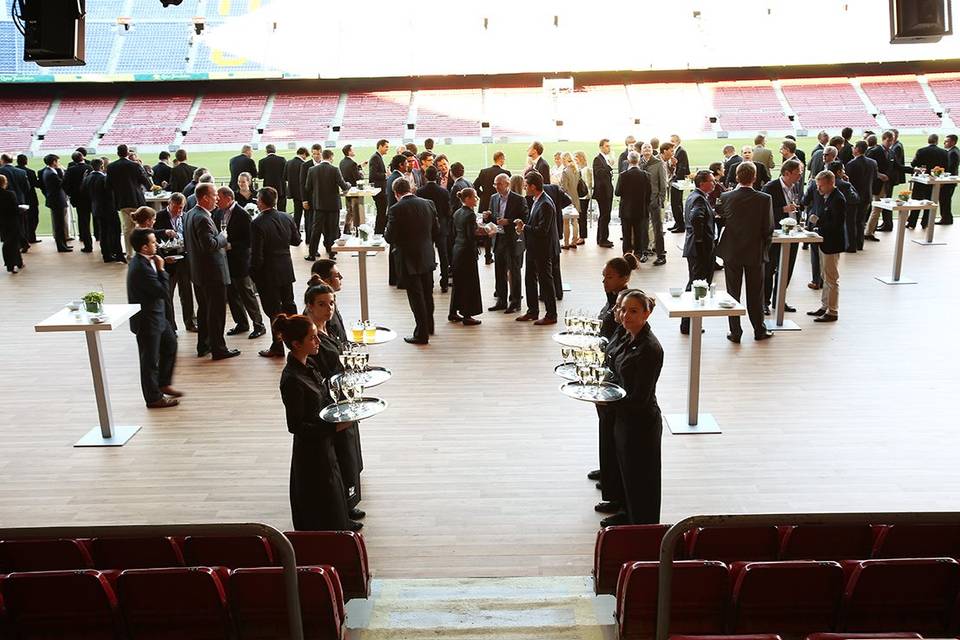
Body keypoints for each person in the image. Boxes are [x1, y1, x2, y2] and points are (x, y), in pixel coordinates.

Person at [276, 313, 358, 531]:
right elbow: (296, 426)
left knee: (335, 485)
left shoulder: (309, 363)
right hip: (311, 452)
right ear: (296, 344)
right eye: (312, 338)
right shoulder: (292, 380)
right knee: (323, 497)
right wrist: (335, 426)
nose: (318, 341)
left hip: (324, 442)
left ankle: (342, 521)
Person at [302, 284, 365, 519]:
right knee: (340, 453)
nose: (329, 308)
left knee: (349, 450)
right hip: (332, 401)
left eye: (331, 303)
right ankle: (343, 507)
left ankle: (349, 499)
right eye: (322, 304)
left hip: (345, 394)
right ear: (309, 306)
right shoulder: (311, 336)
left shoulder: (329, 327)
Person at [590, 257, 638, 519]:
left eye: (609, 276)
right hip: (608, 361)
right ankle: (607, 471)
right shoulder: (613, 299)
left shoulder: (623, 302)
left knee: (612, 429)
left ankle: (613, 480)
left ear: (623, 279)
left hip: (617, 379)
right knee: (605, 428)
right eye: (603, 276)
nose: (604, 281)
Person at [611, 290, 663, 525]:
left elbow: (640, 397)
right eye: (622, 309)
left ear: (647, 313)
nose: (625, 315)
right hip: (624, 417)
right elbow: (610, 356)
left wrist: (608, 399)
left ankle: (642, 528)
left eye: (633, 311)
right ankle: (626, 514)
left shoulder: (650, 349)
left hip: (641, 422)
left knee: (643, 481)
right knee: (626, 473)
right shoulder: (625, 334)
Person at [716, 162, 775, 342]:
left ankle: (735, 332)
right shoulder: (765, 199)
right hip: (754, 252)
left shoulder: (726, 197)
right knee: (755, 294)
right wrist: (765, 248)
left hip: (732, 251)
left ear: (736, 177)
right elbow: (768, 228)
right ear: (755, 178)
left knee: (732, 293)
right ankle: (759, 329)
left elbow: (721, 218)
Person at [126, 227, 180, 409]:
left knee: (170, 344)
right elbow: (163, 292)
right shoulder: (141, 268)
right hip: (147, 320)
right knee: (149, 361)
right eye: (152, 242)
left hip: (157, 316)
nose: (156, 244)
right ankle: (153, 398)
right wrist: (163, 270)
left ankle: (163, 383)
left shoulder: (146, 261)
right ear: (143, 247)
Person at [184, 183, 239, 361]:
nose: (217, 198)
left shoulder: (189, 214)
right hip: (212, 274)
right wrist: (223, 238)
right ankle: (219, 349)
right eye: (214, 195)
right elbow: (209, 245)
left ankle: (204, 345)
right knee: (216, 314)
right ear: (205, 197)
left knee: (204, 310)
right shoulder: (202, 218)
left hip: (199, 274)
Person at [384, 178, 439, 344]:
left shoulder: (395, 209)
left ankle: (421, 334)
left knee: (416, 297)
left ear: (396, 193)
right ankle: (429, 325)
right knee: (427, 293)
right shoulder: (428, 204)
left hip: (408, 258)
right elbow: (436, 230)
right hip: (427, 254)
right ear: (411, 188)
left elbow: (390, 237)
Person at [251, 187, 302, 358]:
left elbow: (257, 255)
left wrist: (252, 273)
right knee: (289, 306)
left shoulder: (257, 223)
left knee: (273, 311)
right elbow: (296, 241)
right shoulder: (287, 217)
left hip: (268, 273)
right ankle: (298, 342)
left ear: (261, 201)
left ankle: (278, 346)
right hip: (286, 269)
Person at [212, 186, 266, 340]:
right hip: (225, 261)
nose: (217, 201)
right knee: (232, 294)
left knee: (246, 294)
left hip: (240, 261)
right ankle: (241, 323)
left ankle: (259, 325)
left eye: (219, 198)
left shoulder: (242, 215)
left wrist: (230, 245)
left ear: (228, 198)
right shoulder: (217, 213)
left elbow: (249, 241)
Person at [761, 159, 803, 315]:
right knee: (769, 268)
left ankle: (779, 299)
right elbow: (764, 212)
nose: (800, 176)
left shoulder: (795, 187)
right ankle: (764, 302)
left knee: (786, 269)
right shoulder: (770, 187)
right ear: (787, 173)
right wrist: (783, 209)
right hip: (775, 235)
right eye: (797, 173)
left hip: (793, 234)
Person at [515, 172, 557, 325]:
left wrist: (524, 227)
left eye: (526, 186)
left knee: (545, 282)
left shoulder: (545, 203)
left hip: (542, 249)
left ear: (533, 186)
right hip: (533, 248)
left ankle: (551, 315)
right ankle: (532, 311)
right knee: (529, 279)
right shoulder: (537, 200)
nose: (525, 188)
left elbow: (542, 230)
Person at [679, 170, 717, 335]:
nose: (714, 184)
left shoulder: (695, 196)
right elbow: (696, 218)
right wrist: (701, 239)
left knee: (696, 283)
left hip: (694, 248)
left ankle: (688, 322)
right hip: (699, 249)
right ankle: (688, 322)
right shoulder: (699, 199)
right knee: (698, 284)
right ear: (702, 183)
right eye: (711, 181)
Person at [806, 171, 846, 323]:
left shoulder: (838, 199)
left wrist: (818, 225)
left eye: (821, 185)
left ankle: (833, 310)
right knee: (825, 276)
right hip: (825, 242)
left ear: (830, 183)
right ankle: (825, 306)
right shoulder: (828, 197)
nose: (818, 189)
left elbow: (836, 224)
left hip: (832, 243)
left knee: (831, 278)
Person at [154, 192, 196, 332]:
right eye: (176, 207)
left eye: (181, 208)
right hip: (168, 261)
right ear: (169, 204)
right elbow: (150, 234)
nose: (179, 211)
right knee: (168, 295)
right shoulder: (159, 216)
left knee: (187, 293)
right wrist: (164, 232)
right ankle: (170, 326)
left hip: (183, 259)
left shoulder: (186, 216)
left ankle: (190, 322)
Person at [488, 173, 528, 313]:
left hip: (513, 240)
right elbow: (494, 218)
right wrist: (489, 218)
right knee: (499, 271)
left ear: (507, 184)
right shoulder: (493, 198)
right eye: (495, 184)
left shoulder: (519, 199)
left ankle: (515, 302)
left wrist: (509, 222)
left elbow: (524, 218)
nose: (496, 187)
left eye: (499, 184)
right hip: (498, 239)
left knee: (514, 271)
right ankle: (501, 300)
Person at [448, 187, 486, 326]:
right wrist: (485, 233)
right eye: (475, 196)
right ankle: (467, 315)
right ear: (468, 199)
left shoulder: (458, 212)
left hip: (457, 249)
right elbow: (471, 236)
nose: (476, 199)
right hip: (467, 252)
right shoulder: (470, 214)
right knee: (470, 283)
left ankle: (453, 312)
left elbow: (455, 233)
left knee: (458, 283)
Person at [106, 144, 152, 260]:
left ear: (117, 153)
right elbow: (145, 181)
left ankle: (129, 254)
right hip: (136, 200)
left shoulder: (111, 167)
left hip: (122, 201)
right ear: (127, 153)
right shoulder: (135, 165)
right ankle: (142, 251)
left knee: (127, 228)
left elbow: (108, 186)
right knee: (141, 227)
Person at [304, 149, 349, 261]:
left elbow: (307, 187)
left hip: (319, 205)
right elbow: (343, 185)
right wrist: (348, 184)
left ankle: (312, 254)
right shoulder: (334, 169)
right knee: (332, 230)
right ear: (331, 157)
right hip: (333, 205)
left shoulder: (312, 170)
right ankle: (331, 253)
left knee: (316, 230)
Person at [416, 166, 453, 293]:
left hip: (426, 227)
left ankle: (429, 282)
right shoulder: (443, 192)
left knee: (429, 255)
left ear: (425, 176)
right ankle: (444, 282)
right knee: (443, 255)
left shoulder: (420, 192)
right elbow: (449, 211)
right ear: (436, 176)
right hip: (441, 226)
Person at [908, 133, 950, 229]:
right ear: (937, 141)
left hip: (921, 181)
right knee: (930, 202)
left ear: (928, 141)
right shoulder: (944, 152)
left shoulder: (921, 151)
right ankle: (925, 223)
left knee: (917, 202)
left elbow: (914, 163)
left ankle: (912, 222)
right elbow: (946, 167)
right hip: (934, 181)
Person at [82, 158, 120, 263]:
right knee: (112, 231)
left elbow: (83, 191)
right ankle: (113, 252)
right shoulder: (104, 178)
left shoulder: (87, 178)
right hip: (108, 208)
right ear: (102, 166)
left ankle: (106, 254)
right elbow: (110, 193)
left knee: (103, 232)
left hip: (96, 208)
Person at [614, 151, 651, 257]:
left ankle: (627, 253)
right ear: (638, 160)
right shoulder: (645, 175)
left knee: (626, 234)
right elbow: (649, 193)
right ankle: (638, 253)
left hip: (626, 209)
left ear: (628, 160)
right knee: (639, 233)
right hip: (640, 209)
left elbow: (617, 193)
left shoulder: (623, 175)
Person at [844, 140, 877, 249]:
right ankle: (860, 244)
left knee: (851, 221)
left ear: (857, 149)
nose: (852, 149)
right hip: (867, 195)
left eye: (854, 147)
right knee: (861, 221)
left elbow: (847, 183)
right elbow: (875, 178)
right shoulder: (873, 162)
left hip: (853, 197)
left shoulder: (851, 164)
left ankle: (851, 245)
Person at [639, 143, 667, 265]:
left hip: (654, 200)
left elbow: (663, 183)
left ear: (652, 150)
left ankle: (661, 255)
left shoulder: (658, 163)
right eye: (644, 148)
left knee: (658, 229)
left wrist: (660, 199)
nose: (647, 149)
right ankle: (644, 252)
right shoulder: (638, 163)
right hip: (641, 201)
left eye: (649, 147)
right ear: (641, 151)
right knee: (643, 228)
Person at [307, 259, 347, 342]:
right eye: (337, 276)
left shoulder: (327, 301)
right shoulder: (318, 313)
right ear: (326, 281)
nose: (341, 277)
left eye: (331, 303)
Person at [62, 151, 93, 253]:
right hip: (91, 198)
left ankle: (88, 245)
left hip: (79, 199)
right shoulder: (90, 168)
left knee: (84, 222)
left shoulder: (71, 170)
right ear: (83, 157)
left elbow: (65, 185)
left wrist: (71, 194)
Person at [865, 132, 894, 238]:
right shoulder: (875, 151)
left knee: (877, 209)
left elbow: (897, 166)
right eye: (888, 140)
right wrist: (878, 175)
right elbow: (867, 166)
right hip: (876, 185)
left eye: (892, 140)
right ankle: (868, 232)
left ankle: (869, 231)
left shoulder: (891, 152)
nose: (890, 143)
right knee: (876, 209)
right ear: (883, 139)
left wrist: (913, 169)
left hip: (885, 185)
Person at [298, 144, 323, 243]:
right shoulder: (305, 165)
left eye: (318, 153)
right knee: (310, 221)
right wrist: (304, 200)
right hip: (310, 199)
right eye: (314, 154)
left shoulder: (324, 164)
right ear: (312, 154)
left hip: (322, 199)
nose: (316, 156)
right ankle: (309, 241)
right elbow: (302, 183)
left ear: (321, 153)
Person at [593, 139, 615, 248]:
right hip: (602, 193)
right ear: (601, 147)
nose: (609, 148)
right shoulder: (598, 159)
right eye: (606, 146)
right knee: (604, 216)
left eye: (609, 146)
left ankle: (601, 238)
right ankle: (603, 239)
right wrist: (609, 166)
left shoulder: (604, 159)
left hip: (606, 192)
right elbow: (599, 173)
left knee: (605, 216)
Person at [339, 144, 365, 233]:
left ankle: (347, 229)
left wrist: (359, 166)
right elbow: (358, 178)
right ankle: (357, 230)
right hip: (355, 190)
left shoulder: (342, 162)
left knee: (349, 210)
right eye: (353, 150)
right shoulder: (352, 163)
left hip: (347, 189)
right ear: (349, 151)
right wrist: (361, 171)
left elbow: (349, 171)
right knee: (355, 211)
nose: (354, 151)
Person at [0, 175, 23, 274]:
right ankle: (11, 264)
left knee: (8, 242)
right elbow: (15, 209)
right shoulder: (10, 194)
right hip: (11, 221)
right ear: (4, 183)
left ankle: (18, 262)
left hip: (2, 222)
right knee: (12, 243)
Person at [667, 134, 689, 232]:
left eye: (673, 141)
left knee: (676, 203)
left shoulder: (681, 152)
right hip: (677, 181)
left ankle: (680, 225)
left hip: (678, 182)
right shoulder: (677, 151)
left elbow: (682, 168)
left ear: (678, 141)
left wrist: (674, 179)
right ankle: (678, 222)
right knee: (675, 203)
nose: (671, 143)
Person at [16, 154, 40, 245]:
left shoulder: (14, 171)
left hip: (19, 199)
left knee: (22, 220)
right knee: (33, 218)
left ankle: (24, 238)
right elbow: (36, 184)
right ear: (26, 161)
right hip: (31, 199)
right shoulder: (30, 172)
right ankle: (31, 237)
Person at [559, 152, 581, 249]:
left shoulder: (565, 171)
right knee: (575, 221)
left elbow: (564, 188)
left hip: (567, 199)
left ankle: (566, 243)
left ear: (564, 159)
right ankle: (574, 241)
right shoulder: (576, 170)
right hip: (576, 197)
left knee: (566, 222)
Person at [285, 147, 309, 237]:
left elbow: (285, 177)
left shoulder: (288, 163)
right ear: (303, 154)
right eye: (305, 156)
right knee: (307, 215)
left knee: (297, 214)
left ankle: (295, 234)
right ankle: (308, 234)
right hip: (303, 193)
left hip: (293, 192)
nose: (305, 158)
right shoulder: (304, 164)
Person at [258, 144, 287, 212]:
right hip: (281, 188)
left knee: (268, 209)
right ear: (275, 150)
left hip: (268, 190)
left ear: (266, 151)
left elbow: (260, 176)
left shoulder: (262, 161)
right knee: (282, 209)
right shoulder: (282, 159)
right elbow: (286, 174)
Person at [369, 139, 390, 234]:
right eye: (386, 147)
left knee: (382, 213)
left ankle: (380, 233)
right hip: (379, 191)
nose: (387, 149)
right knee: (381, 213)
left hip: (381, 190)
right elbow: (373, 175)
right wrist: (386, 175)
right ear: (380, 146)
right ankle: (378, 233)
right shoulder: (375, 158)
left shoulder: (378, 157)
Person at [939, 134, 960, 225]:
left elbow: (950, 168)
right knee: (946, 200)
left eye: (947, 141)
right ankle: (947, 218)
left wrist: (943, 180)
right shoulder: (955, 151)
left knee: (944, 200)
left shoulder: (953, 153)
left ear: (953, 142)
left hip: (949, 181)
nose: (944, 142)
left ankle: (946, 219)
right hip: (951, 180)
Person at [574, 151, 592, 243]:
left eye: (576, 158)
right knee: (579, 217)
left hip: (584, 196)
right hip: (579, 196)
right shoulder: (578, 168)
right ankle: (580, 235)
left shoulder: (586, 169)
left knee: (582, 217)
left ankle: (582, 236)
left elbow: (588, 184)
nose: (574, 160)